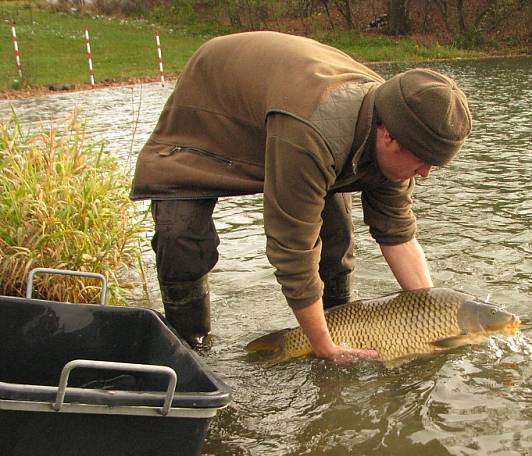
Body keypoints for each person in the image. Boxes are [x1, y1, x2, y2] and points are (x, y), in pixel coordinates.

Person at [131, 31, 471, 362]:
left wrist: (433, 314)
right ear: (387, 137)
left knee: (336, 241)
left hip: (294, 105)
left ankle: (338, 326)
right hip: (213, 99)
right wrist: (323, 346)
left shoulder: (405, 116)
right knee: (182, 237)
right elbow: (291, 249)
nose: (426, 173)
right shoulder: (315, 132)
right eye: (423, 161)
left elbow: (397, 232)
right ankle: (192, 348)